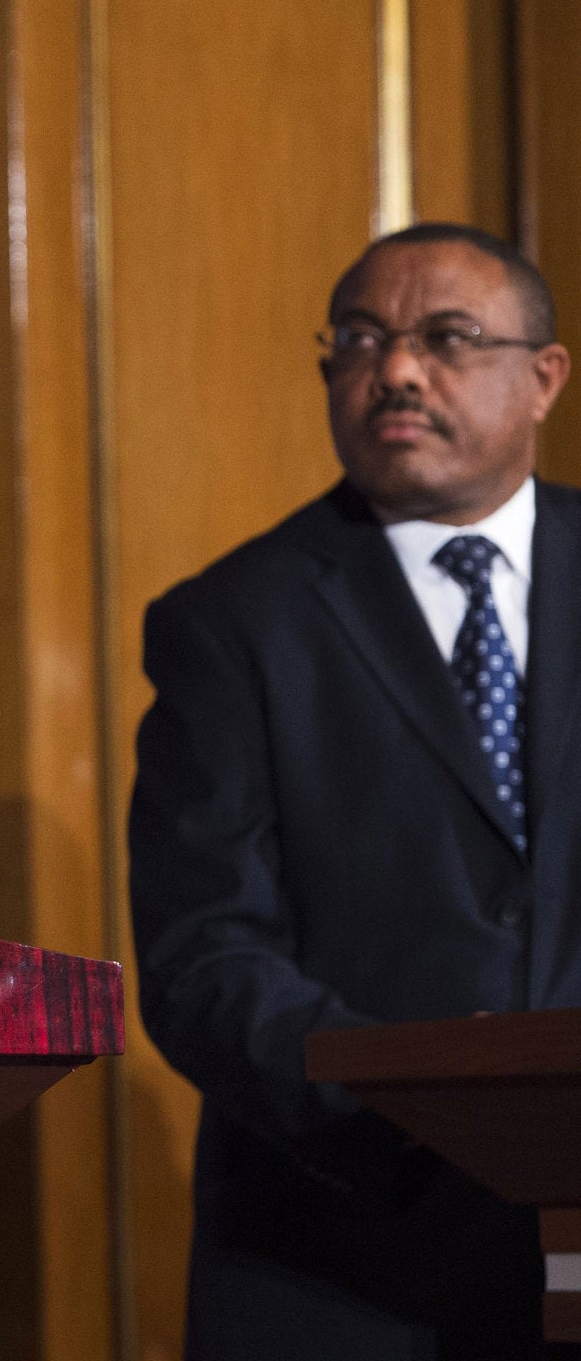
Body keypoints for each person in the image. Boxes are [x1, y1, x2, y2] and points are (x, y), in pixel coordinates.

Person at [132, 221, 580, 1357]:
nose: (392, 370)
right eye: (359, 341)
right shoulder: (231, 623)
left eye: (444, 338)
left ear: (543, 377)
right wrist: (431, 1109)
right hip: (347, 1256)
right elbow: (204, 957)